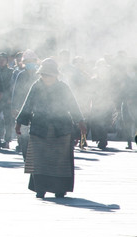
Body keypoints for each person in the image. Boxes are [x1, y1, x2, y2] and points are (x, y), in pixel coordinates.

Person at [15, 58, 86, 199]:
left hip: (61, 129)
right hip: (40, 128)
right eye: (43, 74)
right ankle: (40, 189)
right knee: (39, 161)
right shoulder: (36, 86)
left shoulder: (63, 88)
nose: (45, 77)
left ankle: (60, 189)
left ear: (55, 75)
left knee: (60, 162)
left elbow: (73, 106)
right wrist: (19, 122)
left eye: (48, 74)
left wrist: (80, 122)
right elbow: (27, 105)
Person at [11, 50, 39, 159]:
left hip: (36, 110)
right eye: (28, 61)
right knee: (23, 134)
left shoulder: (39, 75)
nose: (30, 63)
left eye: (32, 61)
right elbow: (16, 92)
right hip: (22, 109)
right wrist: (14, 107)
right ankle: (26, 157)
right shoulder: (20, 75)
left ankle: (34, 157)